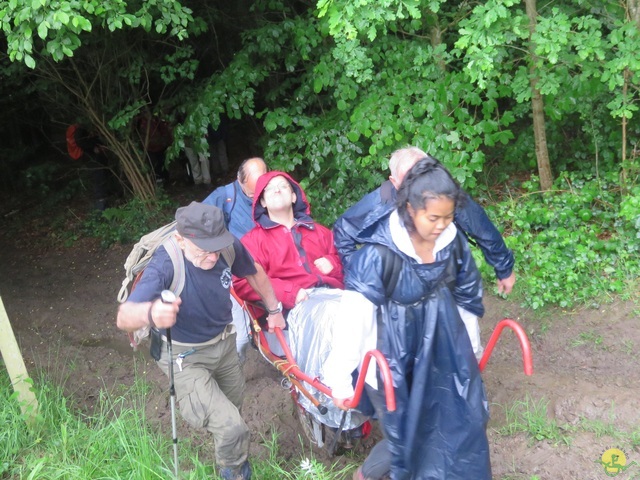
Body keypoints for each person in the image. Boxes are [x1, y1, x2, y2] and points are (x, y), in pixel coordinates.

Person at [323, 159, 491, 480]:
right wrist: (340, 379)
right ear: (411, 209)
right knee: (407, 440)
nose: (442, 225)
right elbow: (353, 321)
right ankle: (364, 476)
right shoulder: (376, 256)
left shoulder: (450, 242)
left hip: (441, 356)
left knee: (466, 422)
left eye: (449, 216)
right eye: (433, 217)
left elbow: (464, 298)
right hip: (390, 366)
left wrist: (472, 348)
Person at [116, 202, 285, 480]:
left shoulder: (227, 246)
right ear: (182, 241)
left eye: (216, 248)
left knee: (233, 412)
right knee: (232, 427)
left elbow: (253, 271)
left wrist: (275, 310)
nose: (212, 257)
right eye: (203, 250)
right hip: (185, 356)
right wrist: (151, 312)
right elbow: (124, 317)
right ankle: (234, 472)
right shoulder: (166, 262)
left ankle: (229, 451)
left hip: (224, 344)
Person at [333, 146, 516, 295]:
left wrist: (504, 269)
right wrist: (358, 273)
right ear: (394, 181)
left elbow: (481, 228)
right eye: (408, 179)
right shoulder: (380, 200)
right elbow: (343, 231)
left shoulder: (445, 193)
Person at [232, 171, 344, 309]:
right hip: (295, 308)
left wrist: (333, 264)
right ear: (263, 202)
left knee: (367, 307)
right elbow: (243, 282)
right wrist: (289, 292)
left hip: (335, 296)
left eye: (283, 186)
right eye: (269, 188)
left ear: (293, 197)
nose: (277, 190)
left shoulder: (320, 232)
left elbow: (347, 261)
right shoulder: (253, 241)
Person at [202, 157, 268, 361]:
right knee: (240, 338)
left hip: (267, 270)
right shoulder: (224, 197)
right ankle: (234, 372)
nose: (257, 197)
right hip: (236, 274)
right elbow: (200, 225)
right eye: (251, 193)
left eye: (260, 191)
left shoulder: (272, 193)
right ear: (240, 180)